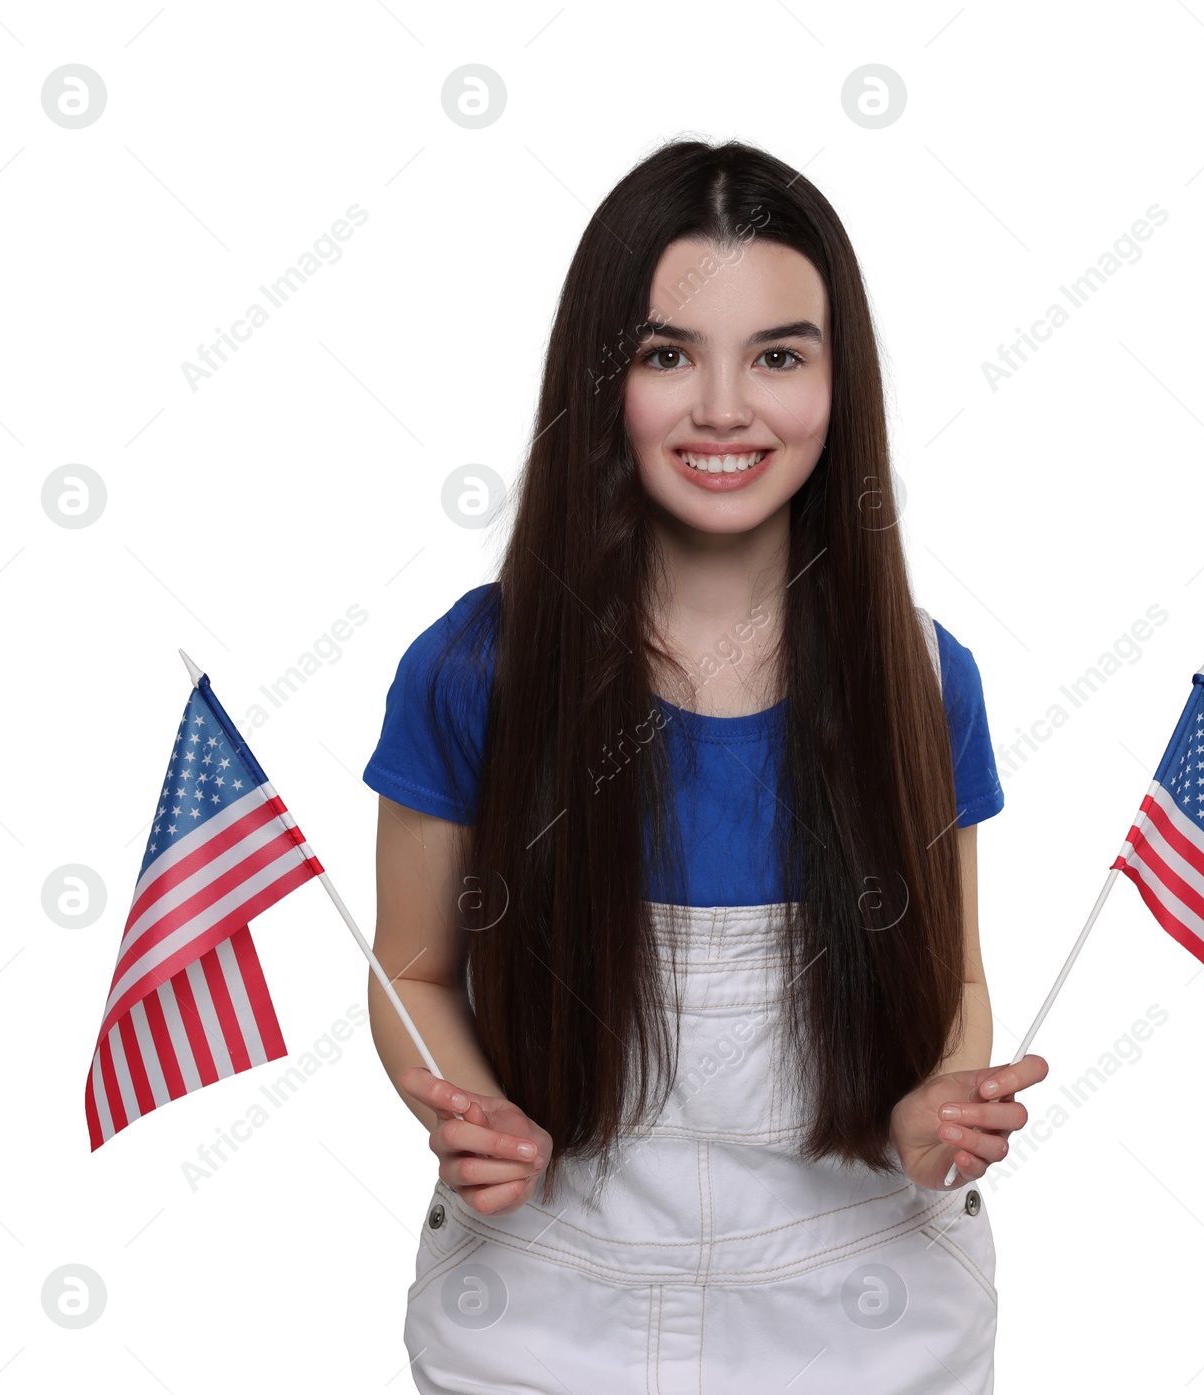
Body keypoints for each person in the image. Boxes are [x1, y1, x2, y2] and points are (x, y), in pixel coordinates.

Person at [362, 137, 1049, 1394]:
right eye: (667, 354)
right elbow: (411, 970)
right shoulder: (475, 669)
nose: (724, 409)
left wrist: (933, 1107)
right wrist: (465, 1114)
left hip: (867, 1302)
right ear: (599, 376)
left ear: (841, 385)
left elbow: (949, 968)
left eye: (778, 355)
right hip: (545, 1299)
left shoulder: (921, 674)